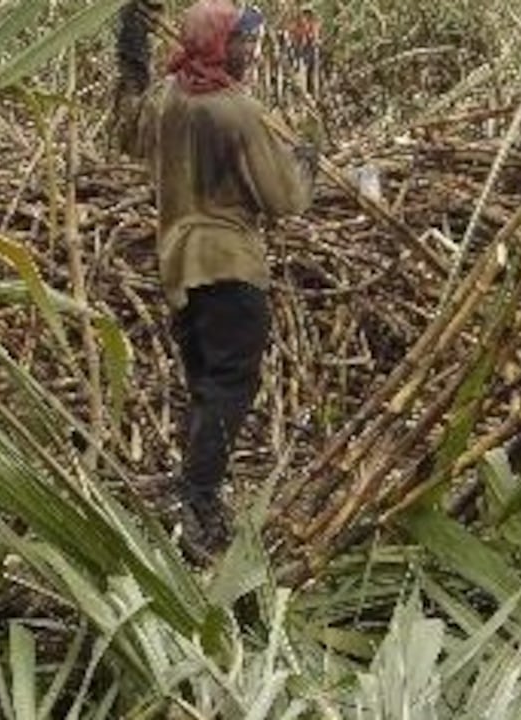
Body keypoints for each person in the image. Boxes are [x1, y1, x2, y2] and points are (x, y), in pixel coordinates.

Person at [130, 0, 317, 558]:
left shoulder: (164, 99)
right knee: (233, 385)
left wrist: (130, 43)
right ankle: (199, 498)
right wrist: (306, 160)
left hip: (179, 268)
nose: (251, 54)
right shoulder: (235, 111)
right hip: (230, 265)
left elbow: (126, 129)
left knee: (207, 385)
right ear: (219, 45)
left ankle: (194, 496)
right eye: (244, 43)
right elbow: (283, 200)